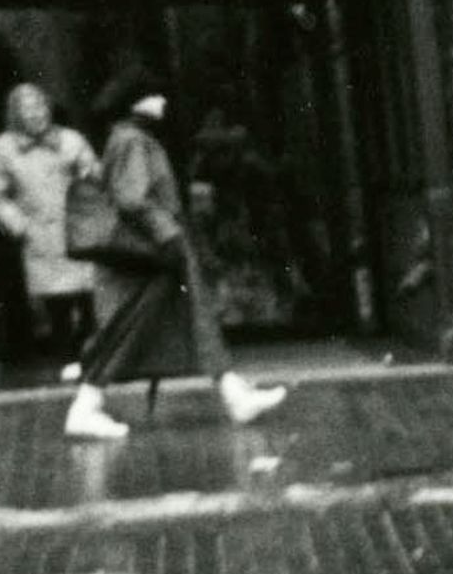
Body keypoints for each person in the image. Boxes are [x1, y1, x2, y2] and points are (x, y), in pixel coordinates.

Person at [64, 77, 289, 440]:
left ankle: (235, 395)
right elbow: (131, 198)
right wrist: (168, 234)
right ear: (136, 102)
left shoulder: (130, 138)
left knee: (191, 320)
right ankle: (84, 409)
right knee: (132, 329)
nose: (162, 100)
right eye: (153, 94)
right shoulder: (133, 140)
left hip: (153, 252)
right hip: (152, 254)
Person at [0, 81, 103, 373]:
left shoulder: (70, 140)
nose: (36, 114)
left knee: (89, 296)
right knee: (56, 302)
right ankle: (68, 358)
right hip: (41, 234)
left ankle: (94, 357)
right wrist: (19, 225)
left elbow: (94, 173)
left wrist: (91, 174)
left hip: (77, 227)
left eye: (40, 106)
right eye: (28, 109)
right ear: (15, 113)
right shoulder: (2, 149)